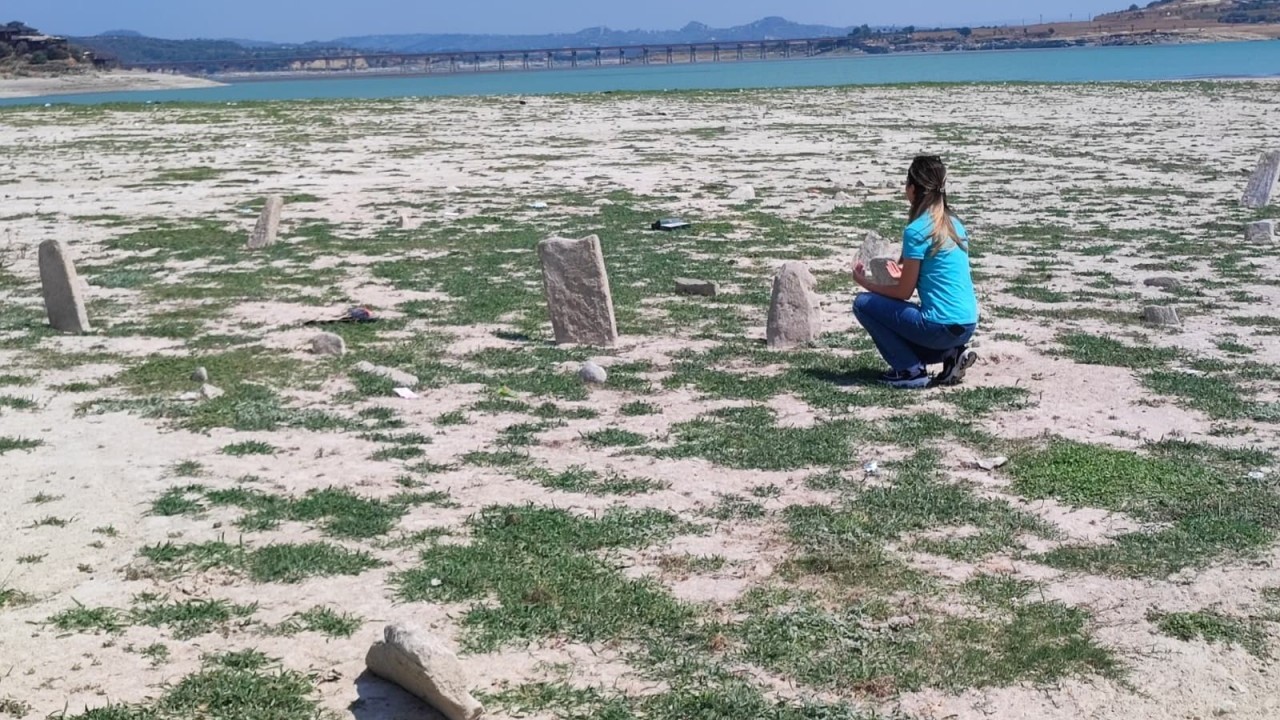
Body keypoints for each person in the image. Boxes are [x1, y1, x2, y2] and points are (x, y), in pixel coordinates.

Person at [852, 155, 979, 389]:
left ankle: (909, 370)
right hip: (967, 325)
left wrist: (865, 282)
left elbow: (903, 293)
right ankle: (951, 354)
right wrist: (903, 274)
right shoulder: (955, 224)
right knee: (914, 322)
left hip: (939, 326)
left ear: (912, 189)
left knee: (862, 304)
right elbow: (938, 273)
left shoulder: (917, 230)